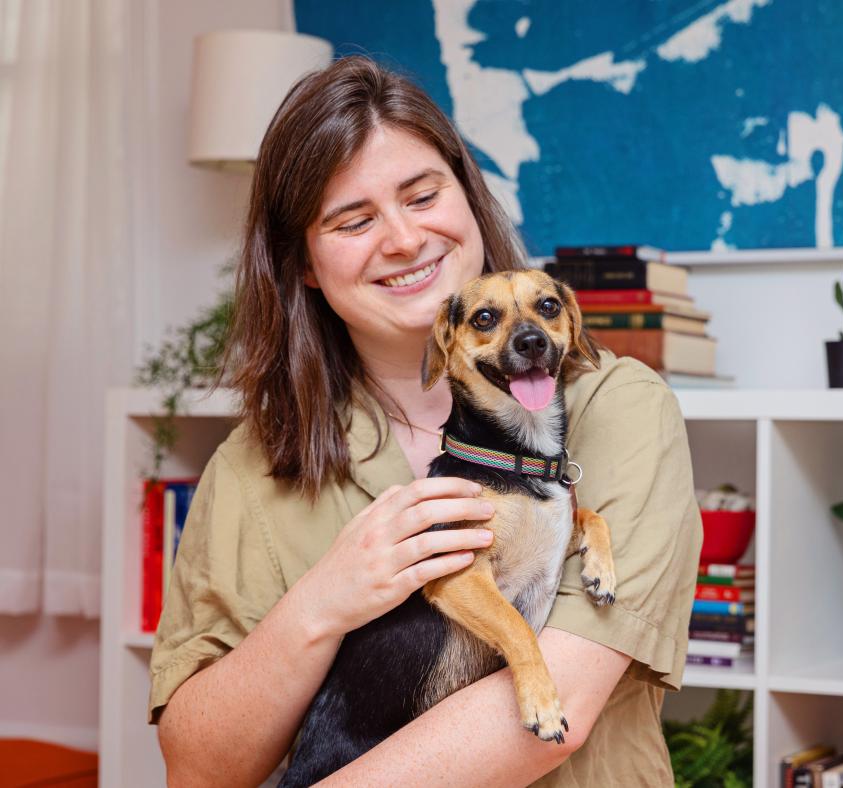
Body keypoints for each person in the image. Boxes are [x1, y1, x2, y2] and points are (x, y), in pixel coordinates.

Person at [149, 54, 702, 787]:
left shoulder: (621, 407)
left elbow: (553, 711)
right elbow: (198, 770)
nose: (405, 240)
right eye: (354, 220)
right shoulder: (253, 467)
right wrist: (322, 603)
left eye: (423, 194)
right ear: (304, 265)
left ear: (469, 199)